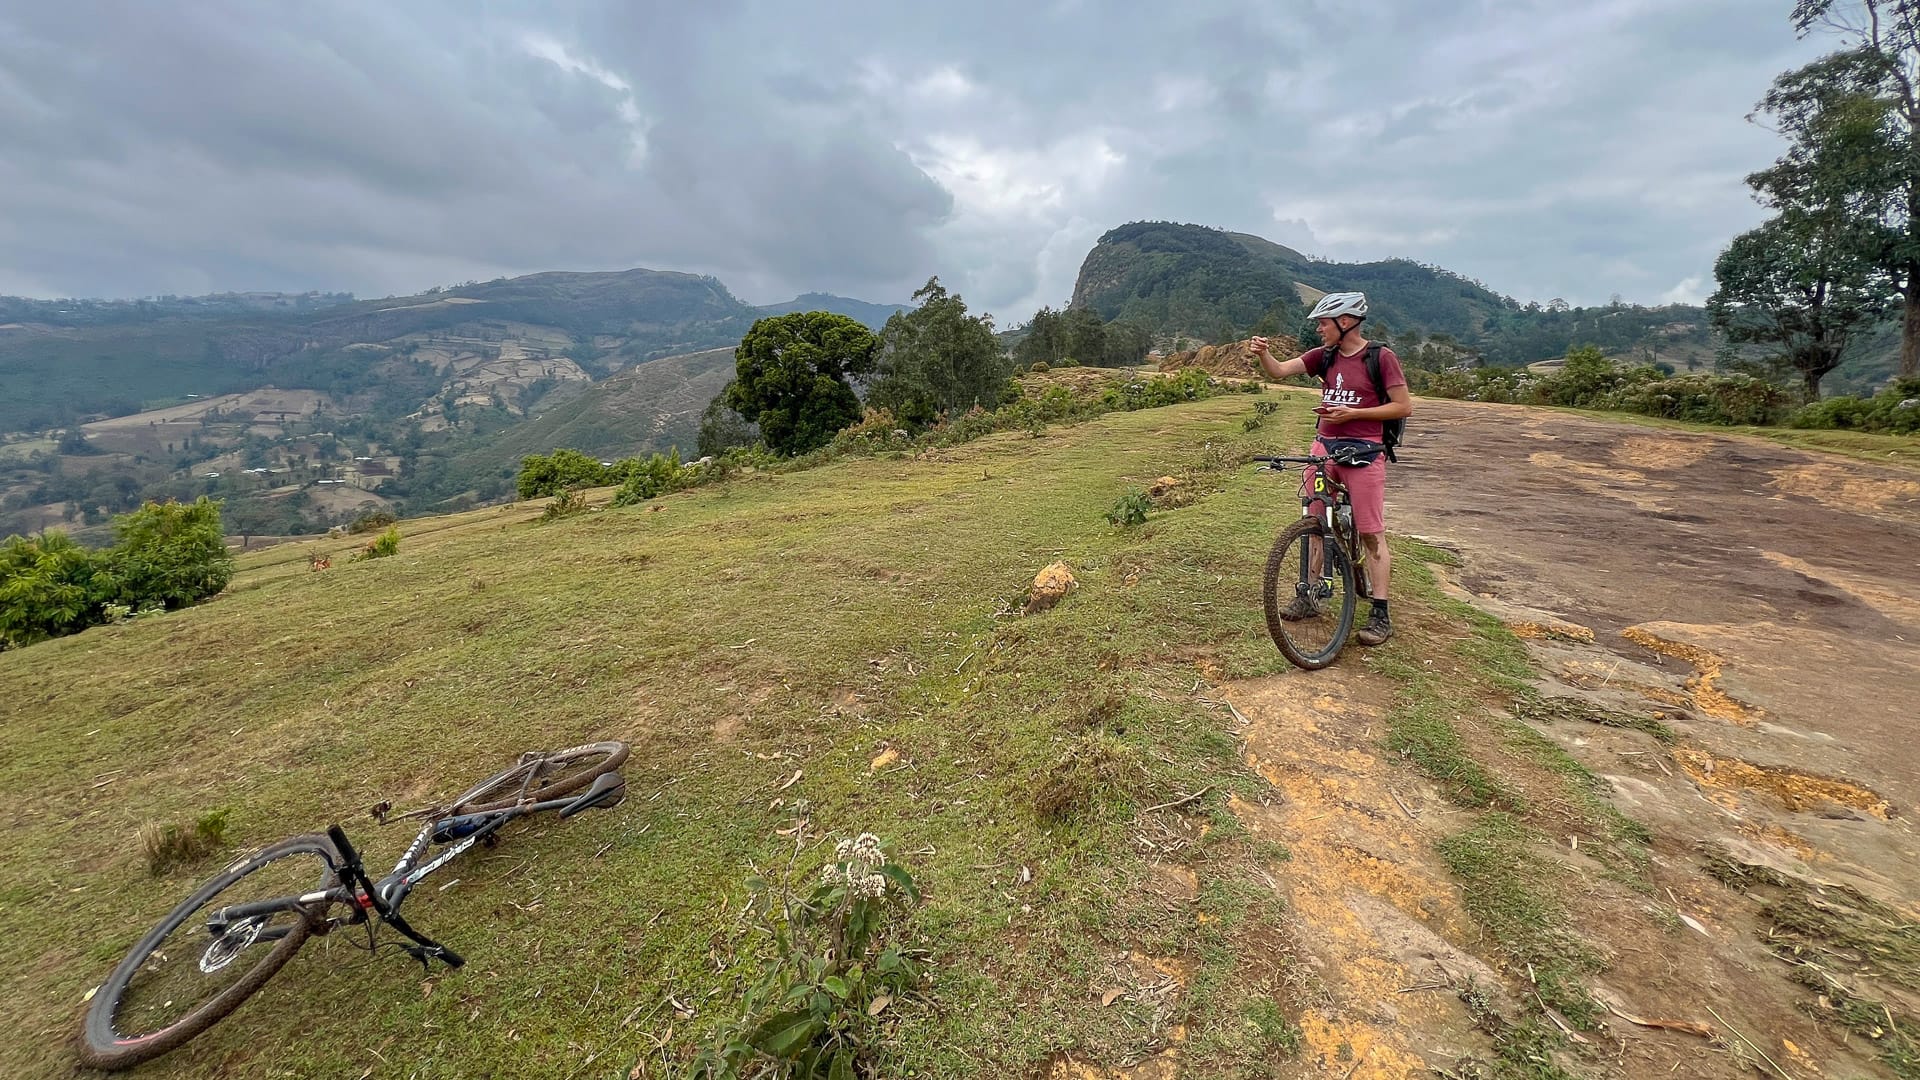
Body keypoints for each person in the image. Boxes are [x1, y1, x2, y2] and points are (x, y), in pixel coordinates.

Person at [1249, 291, 1413, 646]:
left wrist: (1355, 414)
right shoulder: (1322, 357)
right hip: (1324, 449)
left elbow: (1402, 407)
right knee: (1314, 523)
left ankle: (1380, 612)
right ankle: (1308, 595)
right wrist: (1264, 354)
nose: (1319, 329)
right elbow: (1279, 372)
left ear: (1346, 322)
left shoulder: (1380, 358)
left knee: (1371, 533)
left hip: (1365, 452)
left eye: (1323, 323)